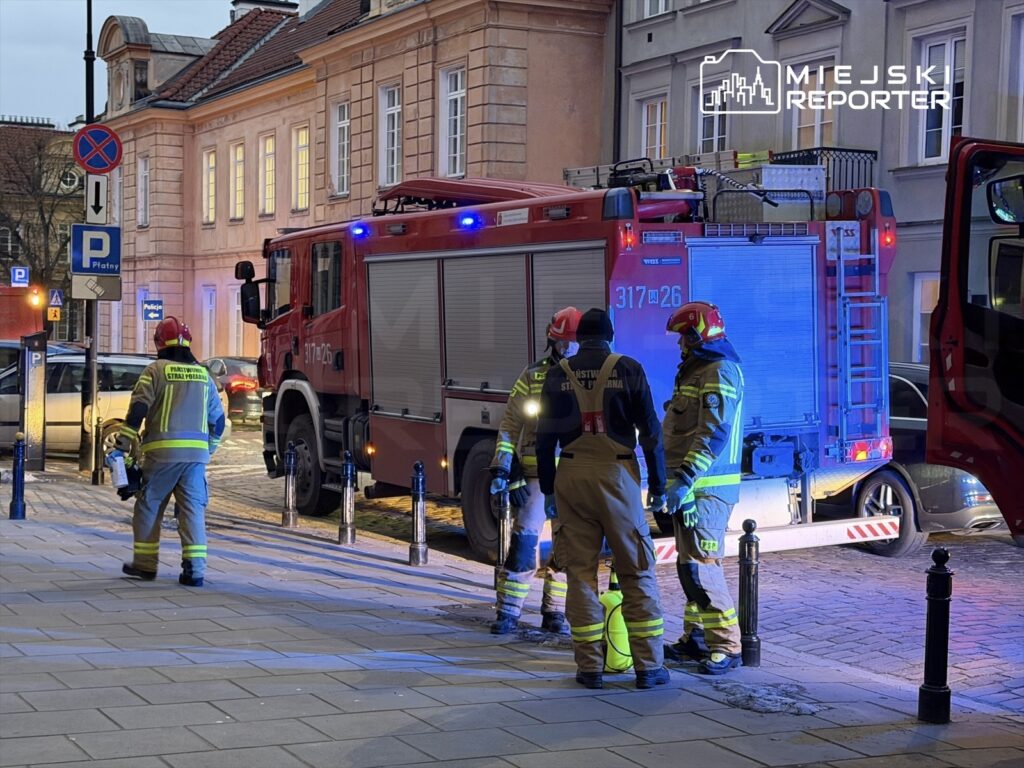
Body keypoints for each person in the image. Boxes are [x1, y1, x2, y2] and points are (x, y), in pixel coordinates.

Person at [535, 307, 670, 690]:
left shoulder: (557, 374)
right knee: (636, 569)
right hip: (617, 476)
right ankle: (649, 668)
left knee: (579, 573)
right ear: (610, 336)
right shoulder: (629, 368)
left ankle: (589, 668)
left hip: (571, 476)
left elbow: (543, 438)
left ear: (578, 339)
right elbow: (651, 433)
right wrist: (659, 485)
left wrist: (548, 489)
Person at [661, 301, 745, 675]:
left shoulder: (719, 370)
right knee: (688, 566)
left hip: (707, 487)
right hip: (691, 485)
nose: (680, 344)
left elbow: (714, 433)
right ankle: (695, 638)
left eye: (684, 337)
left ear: (698, 335)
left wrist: (685, 478)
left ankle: (727, 646)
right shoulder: (698, 369)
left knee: (702, 567)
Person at [110, 316, 225, 587]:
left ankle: (145, 565)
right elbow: (218, 422)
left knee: (149, 506)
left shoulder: (155, 371)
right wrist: (208, 449)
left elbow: (138, 410)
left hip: (161, 456)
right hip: (195, 459)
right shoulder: (204, 376)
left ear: (159, 342)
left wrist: (122, 446)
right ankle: (194, 572)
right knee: (192, 511)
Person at [489, 307, 582, 636]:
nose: (567, 348)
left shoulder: (591, 375)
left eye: (572, 342)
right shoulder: (532, 375)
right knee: (524, 542)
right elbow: (510, 425)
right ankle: (508, 612)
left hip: (574, 476)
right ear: (551, 341)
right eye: (562, 342)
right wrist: (504, 469)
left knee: (567, 546)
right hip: (535, 477)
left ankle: (554, 611)